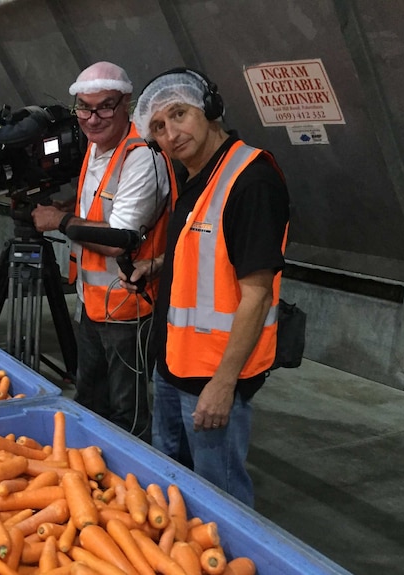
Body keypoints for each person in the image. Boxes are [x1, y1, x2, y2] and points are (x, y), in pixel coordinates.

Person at [125, 68, 290, 507]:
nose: (171, 133)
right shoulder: (197, 176)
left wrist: (223, 384)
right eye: (158, 127)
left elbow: (257, 293)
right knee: (171, 490)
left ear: (210, 110)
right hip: (172, 365)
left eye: (179, 114)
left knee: (219, 500)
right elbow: (207, 254)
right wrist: (158, 265)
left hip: (213, 379)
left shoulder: (250, 181)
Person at [31, 61, 174, 439]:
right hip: (92, 303)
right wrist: (65, 211)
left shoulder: (141, 155)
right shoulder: (96, 148)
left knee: (128, 414)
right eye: (84, 107)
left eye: (105, 106)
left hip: (128, 308)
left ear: (126, 102)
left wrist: (57, 222)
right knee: (91, 399)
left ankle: (133, 485)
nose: (92, 119)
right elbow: (98, 209)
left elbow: (120, 236)